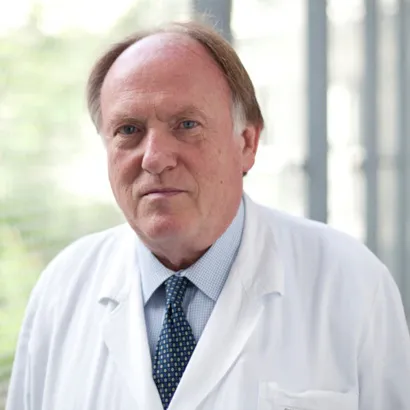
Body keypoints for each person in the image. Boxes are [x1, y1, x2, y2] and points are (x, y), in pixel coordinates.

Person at [6, 21, 410, 410]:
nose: (155, 158)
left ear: (247, 143)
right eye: (128, 130)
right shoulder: (62, 290)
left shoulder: (351, 285)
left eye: (186, 125)